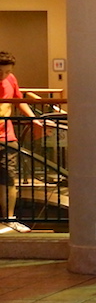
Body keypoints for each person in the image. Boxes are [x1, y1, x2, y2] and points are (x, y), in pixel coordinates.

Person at [0, 51, 39, 232]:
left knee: (8, 178)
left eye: (7, 72)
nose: (4, 76)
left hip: (7, 137)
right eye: (0, 72)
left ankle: (9, 218)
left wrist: (33, 118)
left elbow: (18, 99)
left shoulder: (11, 79)